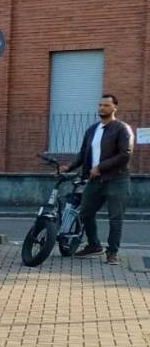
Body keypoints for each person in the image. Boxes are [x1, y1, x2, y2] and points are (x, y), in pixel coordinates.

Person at [68, 94, 134, 265]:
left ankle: (112, 253)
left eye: (105, 105)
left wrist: (100, 167)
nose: (101, 108)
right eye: (100, 105)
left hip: (117, 180)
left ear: (114, 108)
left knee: (115, 218)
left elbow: (125, 154)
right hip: (95, 180)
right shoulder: (92, 130)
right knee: (85, 213)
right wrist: (68, 167)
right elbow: (83, 154)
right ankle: (94, 245)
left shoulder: (122, 128)